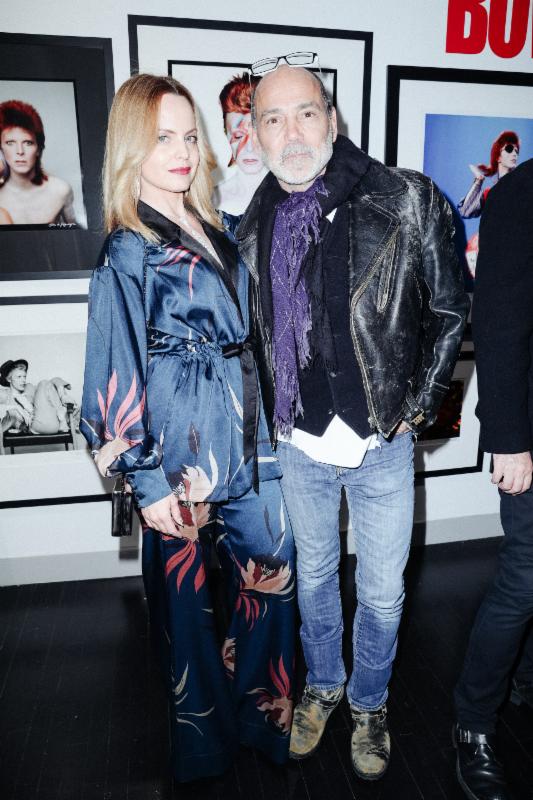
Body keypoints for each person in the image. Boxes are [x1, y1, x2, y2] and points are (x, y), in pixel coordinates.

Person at [235, 59, 468, 780]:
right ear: (256, 134)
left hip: (381, 441)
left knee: (382, 592)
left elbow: (450, 308)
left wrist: (419, 404)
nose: (291, 133)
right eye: (272, 119)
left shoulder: (405, 198)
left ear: (331, 120)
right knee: (312, 580)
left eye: (305, 113)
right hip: (298, 442)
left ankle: (369, 702)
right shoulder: (250, 226)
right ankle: (324, 685)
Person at [80, 73, 295, 783]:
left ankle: (263, 723)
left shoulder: (224, 227)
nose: (181, 152)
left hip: (253, 441)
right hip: (177, 454)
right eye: (162, 138)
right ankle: (203, 747)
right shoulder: (128, 249)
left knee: (272, 580)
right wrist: (142, 481)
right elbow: (113, 369)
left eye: (190, 136)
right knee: (189, 610)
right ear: (130, 148)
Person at [453, 158, 533, 800]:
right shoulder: (521, 193)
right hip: (528, 428)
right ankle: (473, 722)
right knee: (525, 577)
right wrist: (508, 440)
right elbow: (499, 324)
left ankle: (525, 680)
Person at [0, 99, 77, 225]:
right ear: (1, 148)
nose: (20, 151)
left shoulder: (61, 190)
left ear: (39, 148)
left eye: (28, 143)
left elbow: (77, 233)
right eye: (10, 143)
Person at [213, 72, 267, 215]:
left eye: (258, 136)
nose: (249, 148)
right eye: (238, 136)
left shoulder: (296, 197)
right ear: (226, 134)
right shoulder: (212, 201)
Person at [458, 130, 519, 220]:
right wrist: (478, 180)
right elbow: (465, 211)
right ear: (498, 157)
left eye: (516, 151)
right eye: (509, 149)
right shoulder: (489, 194)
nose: (514, 154)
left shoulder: (522, 184)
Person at [0, 358, 35, 438]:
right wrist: (16, 407)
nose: (23, 380)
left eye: (24, 377)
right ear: (9, 379)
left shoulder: (29, 389)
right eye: (19, 377)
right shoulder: (4, 394)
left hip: (39, 424)